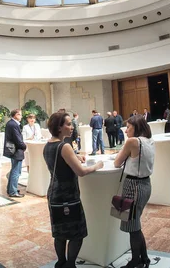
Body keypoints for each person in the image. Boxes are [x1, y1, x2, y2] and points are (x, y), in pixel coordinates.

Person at [44, 111, 103, 268]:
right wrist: (97, 166)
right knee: (77, 234)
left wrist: (76, 157)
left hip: (53, 193)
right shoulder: (65, 146)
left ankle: (61, 262)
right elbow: (81, 172)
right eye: (68, 124)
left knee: (60, 233)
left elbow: (61, 162)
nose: (71, 127)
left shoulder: (48, 145)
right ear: (59, 127)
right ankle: (70, 264)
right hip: (68, 196)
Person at [113, 115, 155, 268]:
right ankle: (144, 258)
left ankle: (135, 261)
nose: (125, 131)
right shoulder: (149, 141)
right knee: (136, 225)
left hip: (133, 186)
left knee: (133, 227)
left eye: (128, 127)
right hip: (145, 185)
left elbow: (117, 163)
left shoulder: (132, 142)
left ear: (136, 127)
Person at [4, 109, 27, 198]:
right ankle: (13, 191)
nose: (21, 116)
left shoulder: (11, 123)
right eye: (19, 114)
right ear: (15, 115)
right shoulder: (13, 124)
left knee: (14, 170)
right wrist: (24, 146)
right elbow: (18, 139)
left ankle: (10, 189)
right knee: (16, 172)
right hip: (16, 151)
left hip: (14, 150)